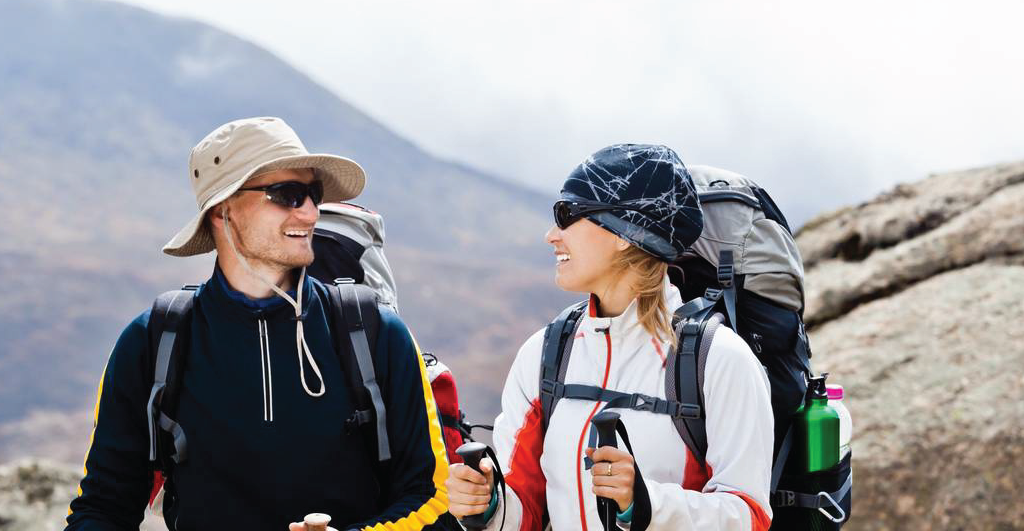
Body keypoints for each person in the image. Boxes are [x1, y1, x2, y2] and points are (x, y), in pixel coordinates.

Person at [66, 117, 451, 531]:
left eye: (313, 194)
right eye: (287, 194)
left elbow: (436, 499)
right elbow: (104, 509)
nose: (310, 212)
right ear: (222, 210)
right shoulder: (152, 342)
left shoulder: (376, 333)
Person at [446, 144, 775, 530]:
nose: (552, 235)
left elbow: (749, 515)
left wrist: (646, 503)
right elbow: (526, 510)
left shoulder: (718, 360)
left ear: (624, 231)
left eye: (567, 215)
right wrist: (487, 504)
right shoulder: (545, 353)